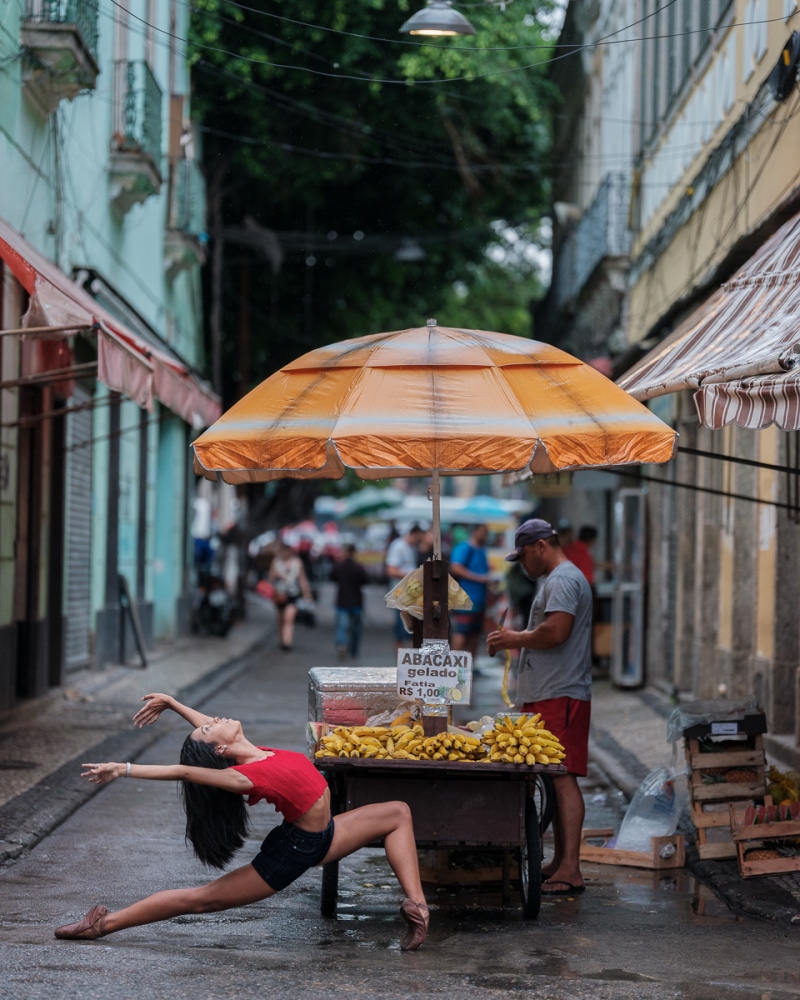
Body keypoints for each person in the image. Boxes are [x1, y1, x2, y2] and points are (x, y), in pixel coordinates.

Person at [53, 693, 429, 950]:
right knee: (201, 901)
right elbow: (186, 770)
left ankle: (417, 908)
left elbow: (206, 732)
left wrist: (171, 703)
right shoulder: (244, 776)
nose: (214, 719)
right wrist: (125, 768)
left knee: (398, 812)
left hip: (320, 837)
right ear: (218, 749)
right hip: (292, 854)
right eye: (208, 727)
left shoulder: (256, 754)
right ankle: (102, 925)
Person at [486, 518, 593, 896]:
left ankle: (571, 869)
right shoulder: (558, 579)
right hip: (550, 691)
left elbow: (556, 631)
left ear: (541, 546)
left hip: (560, 692)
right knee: (554, 776)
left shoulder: (563, 580)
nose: (523, 565)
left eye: (524, 556)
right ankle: (561, 861)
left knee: (563, 777)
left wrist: (514, 638)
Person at [449, 523, 493, 659]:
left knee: (475, 634)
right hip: (466, 598)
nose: (485, 536)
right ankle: (455, 665)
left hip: (480, 599)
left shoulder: (482, 550)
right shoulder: (464, 548)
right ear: (474, 531)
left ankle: (469, 667)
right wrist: (479, 578)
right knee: (462, 632)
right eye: (482, 532)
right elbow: (455, 567)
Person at [268, 540, 314, 651]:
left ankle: (287, 642)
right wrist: (277, 575)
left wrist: (307, 594)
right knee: (281, 619)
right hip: (279, 594)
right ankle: (281, 639)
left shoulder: (297, 563)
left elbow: (302, 579)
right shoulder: (276, 562)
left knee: (289, 618)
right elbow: (271, 576)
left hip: (293, 593)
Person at [385, 523, 424, 651]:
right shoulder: (399, 546)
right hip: (401, 595)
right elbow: (391, 570)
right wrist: (412, 575)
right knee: (401, 632)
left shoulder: (410, 547)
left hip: (410, 595)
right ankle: (400, 663)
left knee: (411, 630)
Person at [330, 543, 368, 660]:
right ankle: (353, 650)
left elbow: (332, 577)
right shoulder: (359, 567)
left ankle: (342, 644)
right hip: (356, 601)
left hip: (342, 601)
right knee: (355, 628)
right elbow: (365, 580)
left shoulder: (338, 566)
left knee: (342, 626)